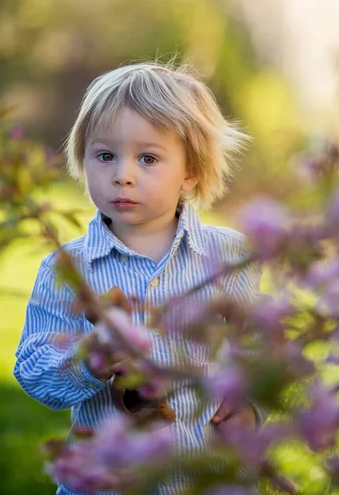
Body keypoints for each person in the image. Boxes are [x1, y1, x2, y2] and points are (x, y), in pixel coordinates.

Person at [14, 61, 264, 495]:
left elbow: (260, 348)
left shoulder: (228, 256)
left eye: (148, 158)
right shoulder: (68, 269)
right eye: (105, 155)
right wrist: (88, 360)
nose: (122, 174)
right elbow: (34, 370)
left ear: (190, 171)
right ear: (83, 158)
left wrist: (250, 404)